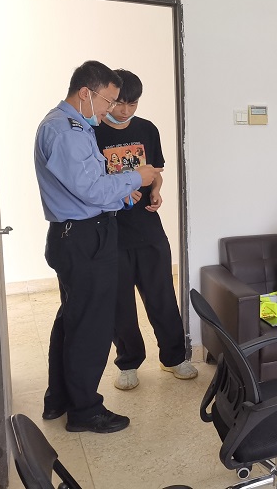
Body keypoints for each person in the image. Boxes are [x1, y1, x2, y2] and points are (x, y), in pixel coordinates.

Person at [35, 60, 162, 433]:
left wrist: (120, 194)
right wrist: (136, 177)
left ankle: (59, 398)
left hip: (78, 233)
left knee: (73, 319)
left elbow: (86, 186)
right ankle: (85, 411)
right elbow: (90, 189)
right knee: (91, 325)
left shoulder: (66, 125)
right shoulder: (68, 132)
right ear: (85, 93)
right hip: (84, 237)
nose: (111, 109)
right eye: (108, 100)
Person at [94, 69, 197, 391]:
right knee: (120, 303)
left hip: (148, 228)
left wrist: (156, 191)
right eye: (119, 103)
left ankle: (174, 358)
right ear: (109, 98)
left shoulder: (147, 129)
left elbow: (155, 173)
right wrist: (120, 192)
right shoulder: (92, 132)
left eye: (133, 104)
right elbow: (91, 184)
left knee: (162, 295)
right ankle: (128, 363)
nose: (125, 110)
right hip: (111, 231)